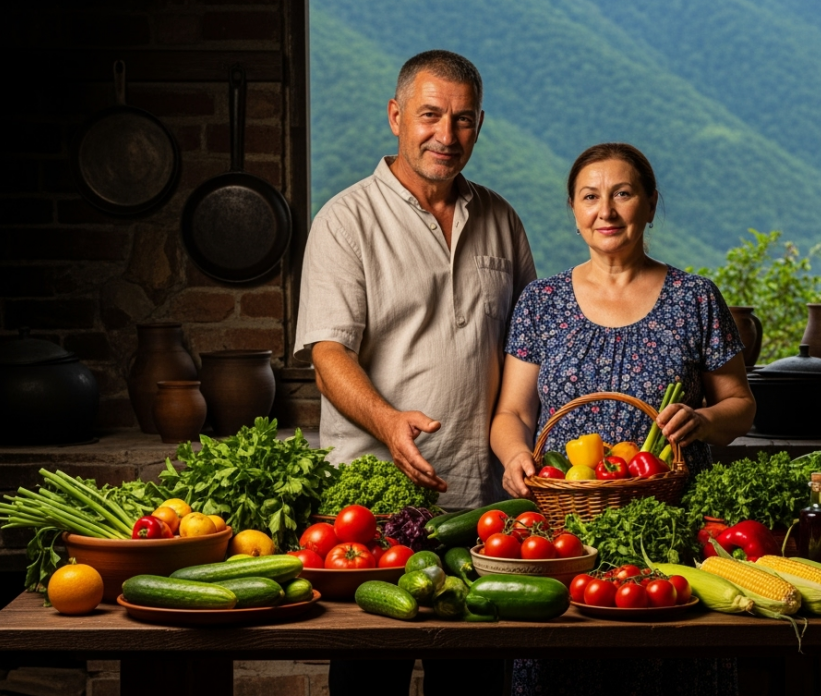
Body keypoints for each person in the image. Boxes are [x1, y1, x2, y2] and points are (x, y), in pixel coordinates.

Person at [295, 50, 536, 696]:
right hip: (372, 512)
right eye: (430, 115)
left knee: (476, 685)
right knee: (369, 681)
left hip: (481, 507)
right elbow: (328, 357)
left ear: (479, 125)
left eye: (463, 119)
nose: (446, 135)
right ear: (396, 116)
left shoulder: (502, 220)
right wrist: (388, 421)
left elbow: (529, 349)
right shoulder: (345, 220)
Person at [490, 142, 756, 695]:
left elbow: (741, 404)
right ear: (573, 210)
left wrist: (704, 421)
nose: (605, 211)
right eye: (590, 197)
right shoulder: (541, 301)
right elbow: (512, 412)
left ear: (651, 204)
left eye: (623, 194)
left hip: (670, 532)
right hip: (565, 536)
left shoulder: (695, 298)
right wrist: (515, 455)